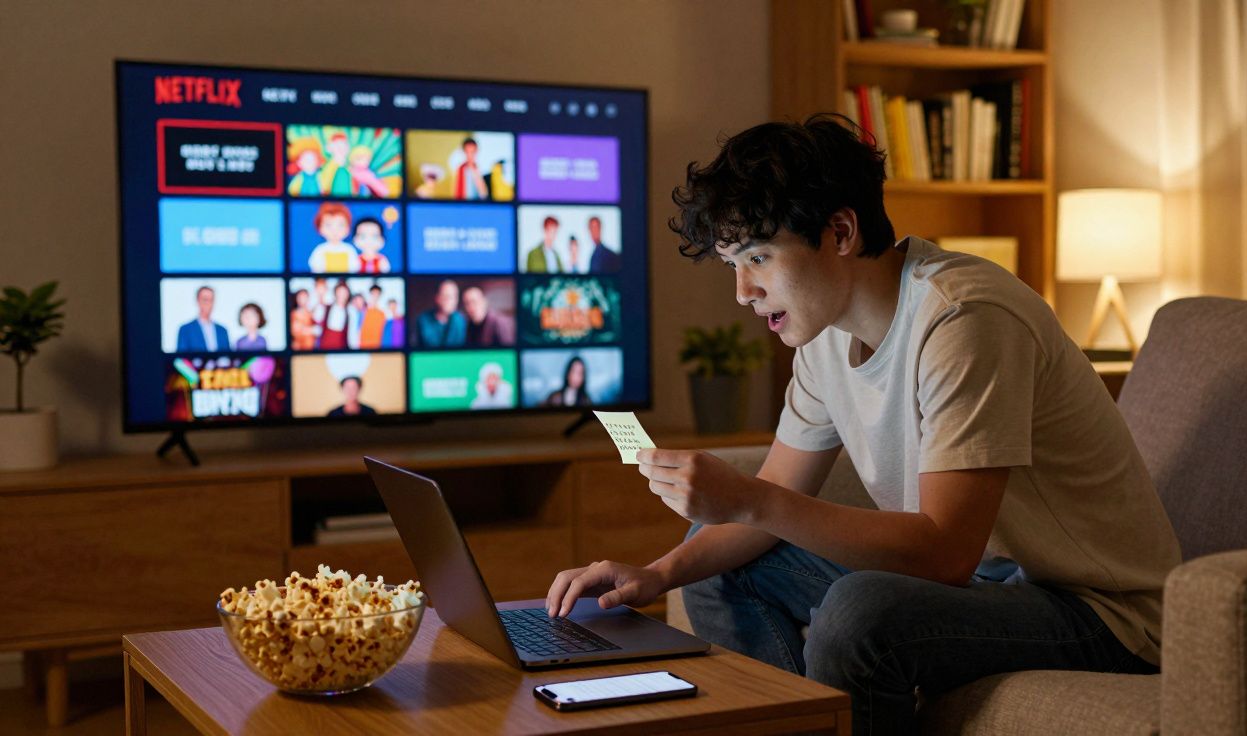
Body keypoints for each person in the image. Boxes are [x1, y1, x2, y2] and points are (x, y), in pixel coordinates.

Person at [543, 115, 1182, 736]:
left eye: (759, 257)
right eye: (732, 264)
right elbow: (772, 494)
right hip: (990, 591)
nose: (742, 291)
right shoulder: (824, 337)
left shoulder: (963, 320)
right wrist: (656, 574)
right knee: (713, 561)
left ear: (841, 231)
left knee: (860, 612)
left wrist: (752, 501)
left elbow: (947, 554)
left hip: (1098, 611)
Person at [307, 203, 360, 273]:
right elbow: (315, 267)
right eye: (328, 225)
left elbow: (355, 267)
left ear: (348, 228)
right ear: (319, 228)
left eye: (340, 225)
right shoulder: (320, 249)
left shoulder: (349, 249)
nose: (334, 230)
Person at [175, 285, 230, 352]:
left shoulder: (222, 331)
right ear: (198, 301)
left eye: (211, 300)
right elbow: (181, 359)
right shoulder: (186, 330)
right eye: (205, 299)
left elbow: (228, 358)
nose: (208, 303)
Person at [415, 279, 467, 347]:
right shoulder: (423, 320)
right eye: (445, 295)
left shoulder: (460, 320)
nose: (449, 300)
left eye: (453, 296)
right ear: (437, 298)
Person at [318, 281, 352, 351]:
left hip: (340, 343)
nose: (341, 295)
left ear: (348, 294)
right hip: (326, 342)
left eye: (344, 292)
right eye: (339, 292)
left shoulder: (350, 311)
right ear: (335, 293)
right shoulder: (327, 308)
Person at [323, 131, 353, 196]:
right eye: (337, 146)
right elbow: (324, 187)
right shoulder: (329, 167)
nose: (340, 148)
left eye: (343, 145)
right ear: (330, 148)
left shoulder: (350, 167)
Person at [359, 285, 388, 349]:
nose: (375, 295)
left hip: (377, 346)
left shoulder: (382, 313)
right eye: (373, 293)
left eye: (377, 293)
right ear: (370, 294)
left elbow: (383, 332)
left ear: (379, 295)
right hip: (363, 345)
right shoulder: (363, 310)